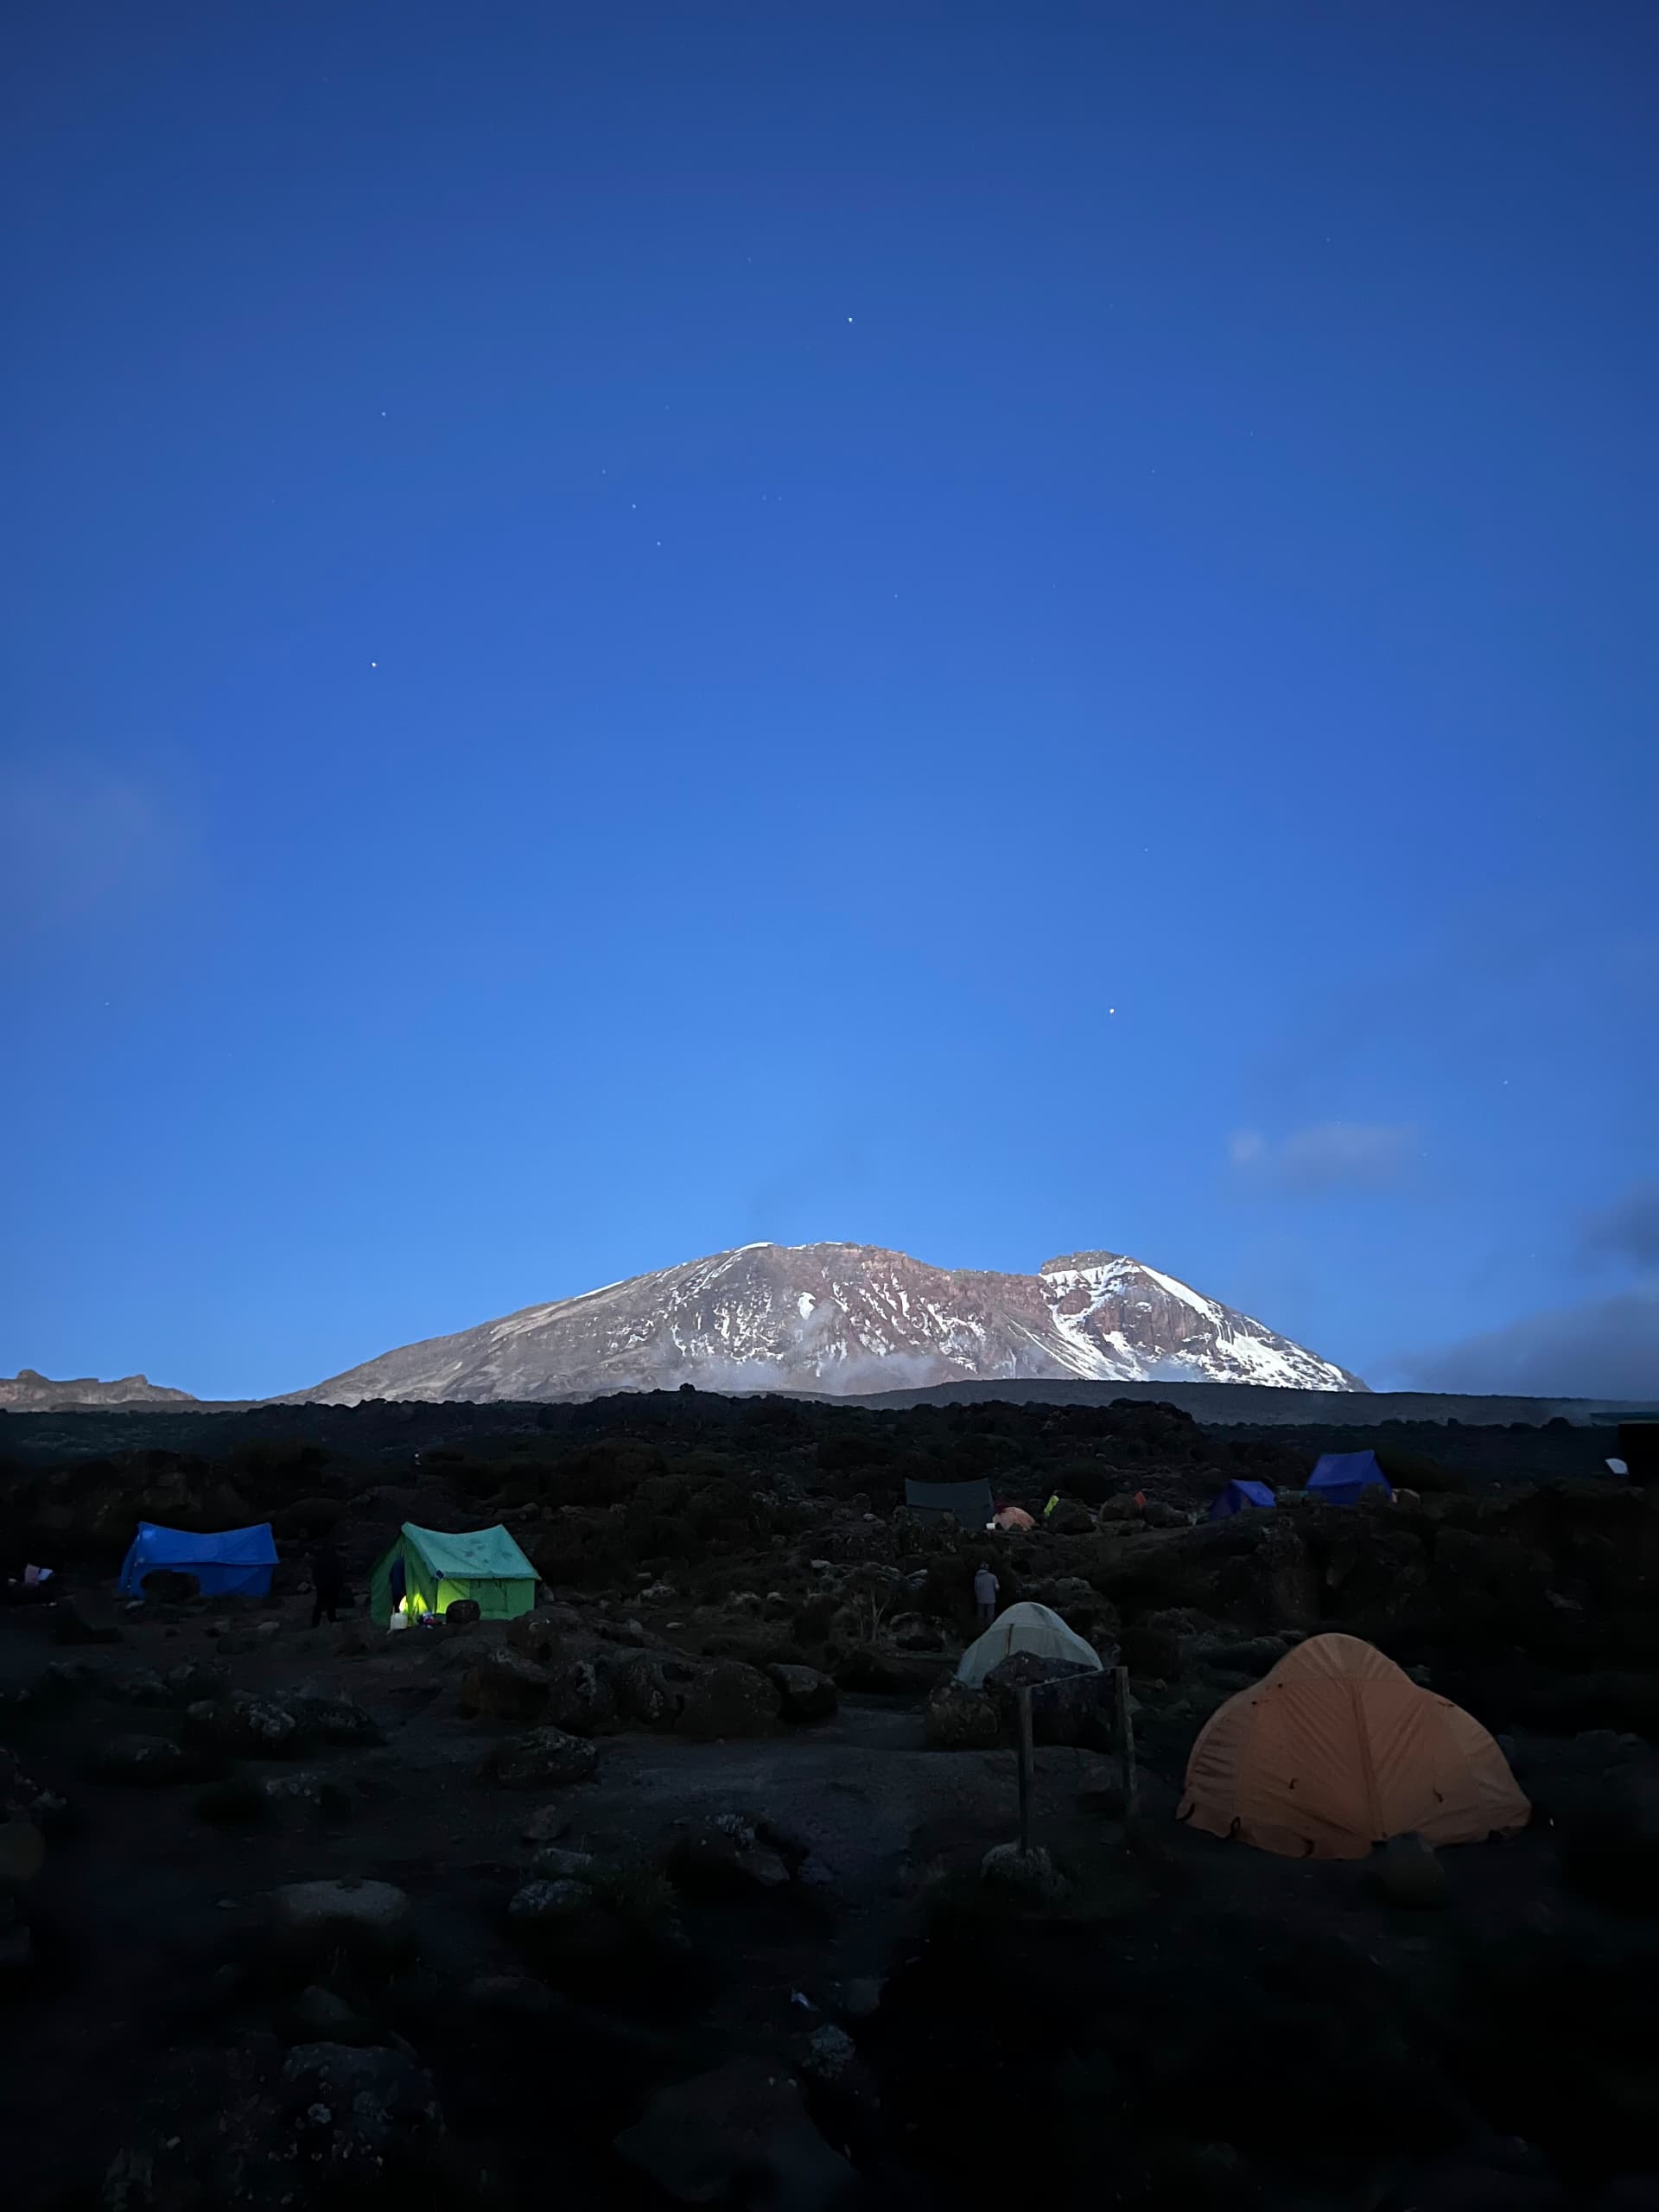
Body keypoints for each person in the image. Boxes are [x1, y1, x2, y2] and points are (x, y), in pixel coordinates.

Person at [309, 1546, 346, 1630]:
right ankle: (330, 1619)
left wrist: (318, 1584)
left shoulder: (320, 1560)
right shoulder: (335, 1559)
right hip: (331, 1585)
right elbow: (339, 1572)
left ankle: (316, 1623)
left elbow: (315, 1574)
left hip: (324, 1585)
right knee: (330, 1603)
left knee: (321, 1604)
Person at [973, 1561, 1000, 1631]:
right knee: (990, 1614)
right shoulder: (993, 1577)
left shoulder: (976, 1578)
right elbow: (997, 1588)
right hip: (991, 1599)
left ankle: (980, 1628)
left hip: (980, 1599)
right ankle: (989, 1629)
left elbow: (975, 1588)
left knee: (980, 1614)